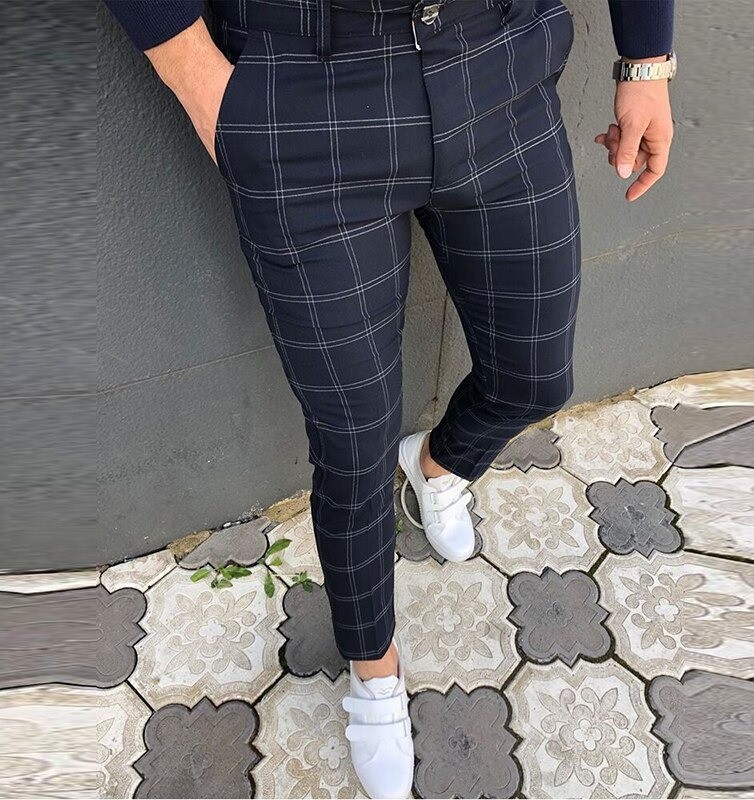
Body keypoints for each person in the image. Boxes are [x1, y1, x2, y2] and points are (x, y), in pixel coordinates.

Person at [103, 1, 675, 796]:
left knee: (536, 375)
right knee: (353, 442)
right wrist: (199, 80)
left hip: (496, 62)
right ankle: (373, 669)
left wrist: (646, 61)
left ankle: (438, 465)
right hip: (304, 83)